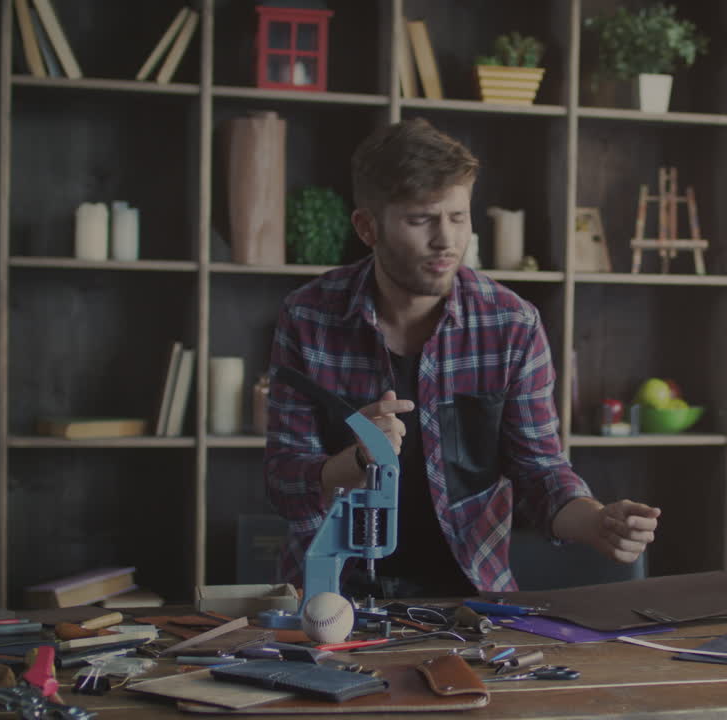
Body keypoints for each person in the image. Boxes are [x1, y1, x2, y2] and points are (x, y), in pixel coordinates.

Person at [264, 118, 660, 597]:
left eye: (457, 217)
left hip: (471, 601)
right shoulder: (308, 317)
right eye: (421, 219)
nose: (446, 242)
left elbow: (540, 472)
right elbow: (283, 484)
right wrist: (353, 462)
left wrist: (596, 522)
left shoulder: (512, 325)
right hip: (330, 598)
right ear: (368, 227)